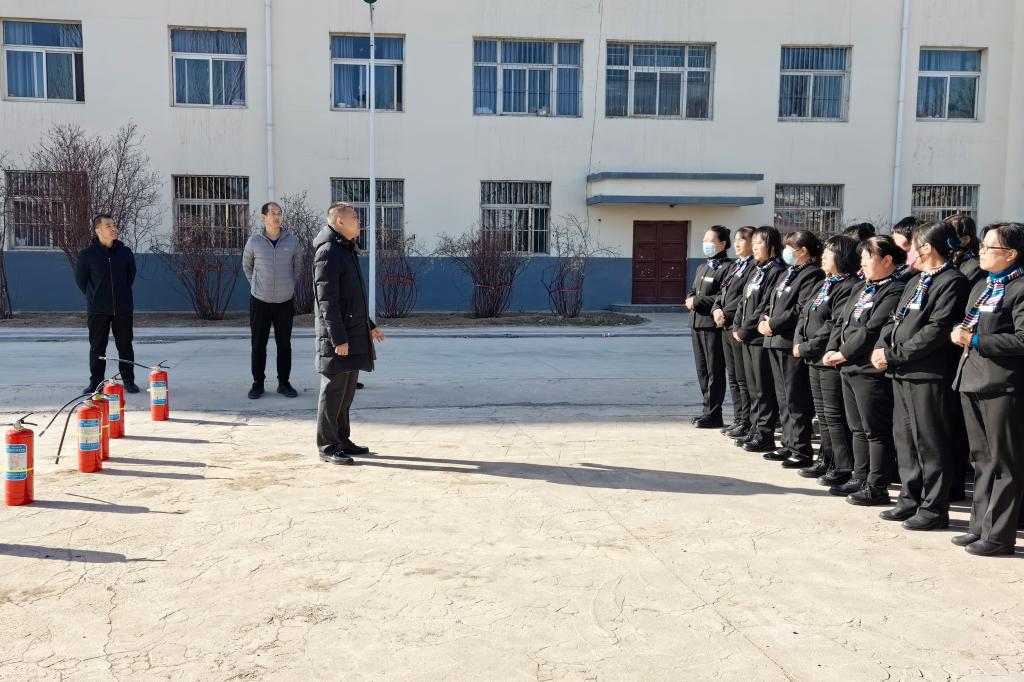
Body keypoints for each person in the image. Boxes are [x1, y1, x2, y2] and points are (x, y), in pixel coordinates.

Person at [871, 222, 970, 531]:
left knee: (930, 442)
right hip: (902, 371)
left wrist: (894, 354)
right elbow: (894, 319)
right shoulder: (916, 280)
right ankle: (909, 498)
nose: (909, 252)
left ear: (926, 247)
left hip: (929, 374)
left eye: (913, 246)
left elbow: (936, 330)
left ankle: (934, 507)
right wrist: (881, 347)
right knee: (905, 439)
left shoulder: (952, 281)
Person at [950, 222, 1024, 556]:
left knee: (1004, 462)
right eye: (981, 246)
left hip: (1002, 383)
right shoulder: (985, 284)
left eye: (989, 247)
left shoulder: (1019, 288)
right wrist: (962, 331)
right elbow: (972, 322)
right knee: (981, 459)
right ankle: (979, 527)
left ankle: (1000, 536)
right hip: (972, 377)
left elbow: (1021, 339)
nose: (981, 251)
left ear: (1011, 254)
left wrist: (978, 340)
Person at [823, 236, 909, 505]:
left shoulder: (895, 289)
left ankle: (877, 485)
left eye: (867, 258)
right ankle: (860, 477)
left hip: (868, 368)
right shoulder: (862, 287)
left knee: (875, 430)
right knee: (857, 428)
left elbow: (872, 328)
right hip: (848, 365)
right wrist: (832, 348)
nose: (862, 263)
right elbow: (841, 321)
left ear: (887, 260)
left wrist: (844, 352)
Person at [314, 202, 385, 465]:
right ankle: (327, 446)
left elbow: (352, 299)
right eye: (354, 216)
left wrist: (369, 325)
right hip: (338, 337)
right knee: (333, 392)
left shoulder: (346, 249)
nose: (359, 220)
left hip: (352, 332)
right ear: (339, 222)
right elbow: (327, 302)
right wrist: (338, 339)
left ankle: (342, 440)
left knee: (345, 393)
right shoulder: (328, 252)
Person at [793, 235, 861, 484]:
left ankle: (842, 465)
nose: (823, 256)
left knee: (834, 415)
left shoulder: (849, 286)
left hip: (828, 358)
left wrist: (808, 347)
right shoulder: (826, 283)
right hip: (813, 358)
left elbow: (833, 324)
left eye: (829, 252)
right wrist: (799, 342)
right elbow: (805, 314)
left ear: (842, 256)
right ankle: (826, 459)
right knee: (822, 414)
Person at [760, 231, 825, 469]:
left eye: (790, 247)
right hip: (774, 340)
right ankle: (788, 444)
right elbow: (772, 300)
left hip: (788, 342)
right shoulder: (790, 272)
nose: (786, 251)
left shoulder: (812, 274)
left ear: (803, 250)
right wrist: (764, 321)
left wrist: (774, 324)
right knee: (783, 397)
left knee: (796, 397)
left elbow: (799, 308)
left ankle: (801, 448)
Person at [243, 201, 303, 400]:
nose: (277, 216)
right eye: (273, 213)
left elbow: (298, 267)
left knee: (284, 344)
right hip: (260, 300)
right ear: (264, 217)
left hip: (285, 301)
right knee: (258, 344)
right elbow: (247, 266)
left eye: (279, 213)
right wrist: (256, 285)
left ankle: (284, 383)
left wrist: (289, 285)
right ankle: (257, 383)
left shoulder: (292, 241)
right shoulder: (254, 241)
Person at [733, 226, 786, 453]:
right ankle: (754, 429)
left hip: (758, 338)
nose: (754, 247)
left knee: (763, 389)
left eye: (759, 243)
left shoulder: (777, 271)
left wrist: (746, 329)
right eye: (753, 243)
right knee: (753, 388)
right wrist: (737, 325)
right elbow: (743, 301)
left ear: (772, 246)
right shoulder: (758, 270)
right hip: (746, 337)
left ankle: (764, 434)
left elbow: (765, 306)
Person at [74, 214, 140, 394]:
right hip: (98, 309)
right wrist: (95, 296)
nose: (113, 228)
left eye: (114, 225)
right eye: (108, 225)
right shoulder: (87, 255)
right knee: (97, 347)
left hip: (123, 308)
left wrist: (121, 295)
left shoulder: (125, 252)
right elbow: (81, 280)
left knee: (125, 345)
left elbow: (130, 277)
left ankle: (128, 380)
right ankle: (96, 383)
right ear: (98, 230)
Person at [943, 212, 983, 501]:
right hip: (952, 348)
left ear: (965, 239)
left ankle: (955, 483)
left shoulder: (973, 269)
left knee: (955, 427)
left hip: (960, 351)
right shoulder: (954, 265)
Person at [686, 226, 734, 428]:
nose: (706, 244)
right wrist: (690, 298)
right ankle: (707, 410)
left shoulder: (729, 268)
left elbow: (723, 296)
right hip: (696, 323)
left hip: (712, 325)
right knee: (703, 370)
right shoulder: (702, 267)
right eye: (704, 240)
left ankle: (715, 414)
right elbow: (693, 290)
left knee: (714, 370)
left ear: (722, 244)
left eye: (710, 241)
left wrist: (697, 301)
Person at [712, 226, 756, 438]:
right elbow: (722, 292)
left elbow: (742, 299)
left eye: (742, 240)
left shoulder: (754, 268)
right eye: (736, 240)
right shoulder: (736, 266)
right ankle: (738, 418)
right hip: (725, 326)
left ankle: (746, 420)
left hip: (737, 326)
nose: (737, 244)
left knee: (742, 378)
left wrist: (725, 313)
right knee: (733, 376)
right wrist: (716, 309)